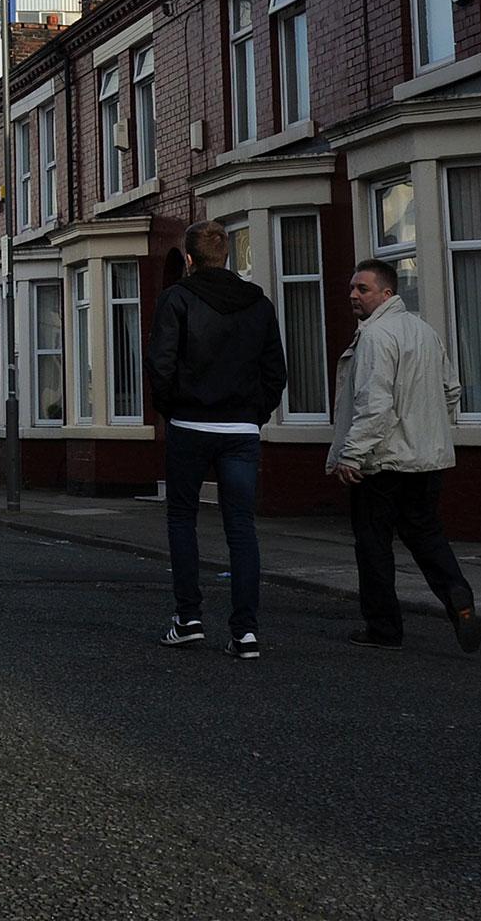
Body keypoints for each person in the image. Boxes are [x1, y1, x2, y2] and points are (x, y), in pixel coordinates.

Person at [147, 220, 287, 659]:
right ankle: (245, 632)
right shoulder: (259, 304)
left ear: (189, 259)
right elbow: (275, 373)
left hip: (190, 425)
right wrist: (253, 415)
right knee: (241, 529)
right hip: (241, 430)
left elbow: (161, 365)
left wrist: (175, 411)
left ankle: (188, 618)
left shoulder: (177, 299)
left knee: (182, 519)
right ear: (225, 256)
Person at [328, 259, 481, 654]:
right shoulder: (424, 331)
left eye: (362, 289)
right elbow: (451, 390)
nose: (353, 296)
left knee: (373, 543)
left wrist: (352, 455)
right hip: (426, 459)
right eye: (352, 288)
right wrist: (427, 429)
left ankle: (383, 629)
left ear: (386, 293)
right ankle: (457, 594)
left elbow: (375, 405)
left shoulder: (377, 337)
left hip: (381, 463)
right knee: (426, 534)